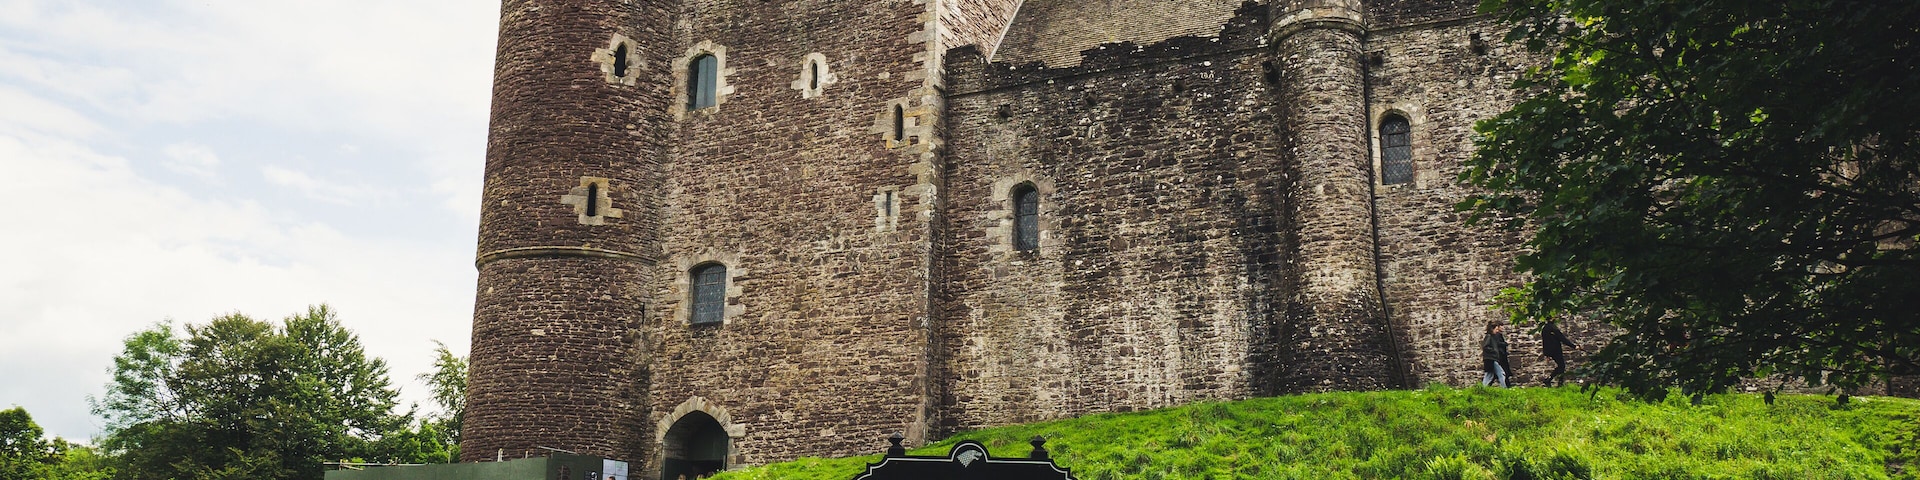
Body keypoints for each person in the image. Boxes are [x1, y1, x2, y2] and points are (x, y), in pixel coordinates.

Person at [1540, 321, 1579, 386]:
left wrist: (1547, 354)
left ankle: (1551, 380)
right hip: (1556, 350)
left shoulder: (1545, 328)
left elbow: (1545, 342)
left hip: (1550, 350)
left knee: (1560, 366)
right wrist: (1574, 346)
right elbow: (1562, 338)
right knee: (1562, 366)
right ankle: (1558, 382)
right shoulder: (1553, 328)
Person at [1482, 323, 1510, 387]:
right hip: (1491, 358)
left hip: (1492, 358)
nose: (1497, 331)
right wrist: (1494, 351)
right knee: (1500, 373)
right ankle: (1504, 388)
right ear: (1492, 329)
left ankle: (1483, 388)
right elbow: (1485, 346)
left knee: (1490, 374)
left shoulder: (1492, 337)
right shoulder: (1489, 336)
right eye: (1496, 329)